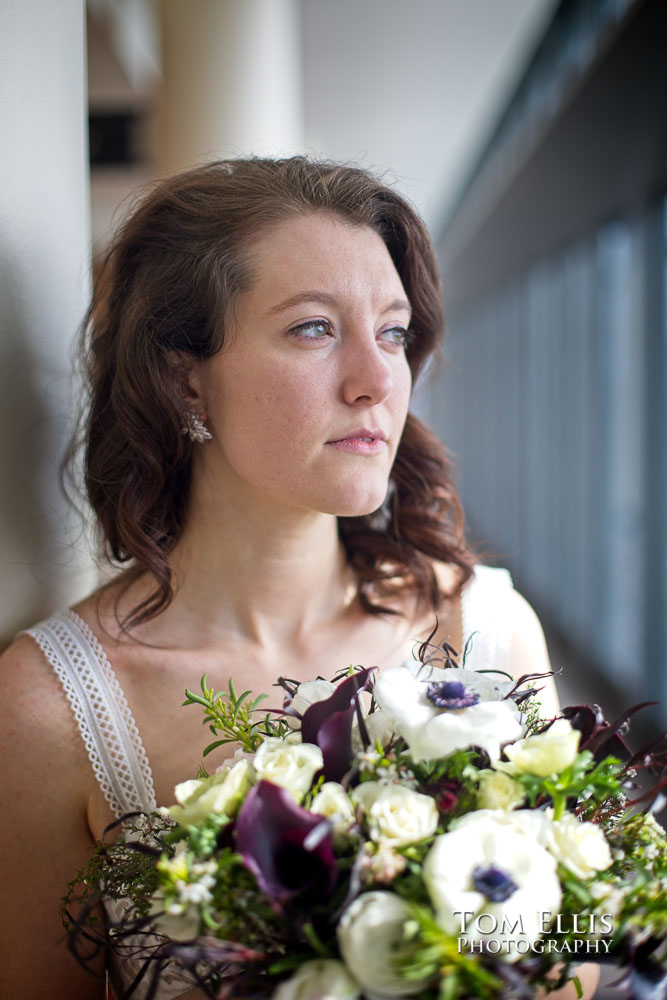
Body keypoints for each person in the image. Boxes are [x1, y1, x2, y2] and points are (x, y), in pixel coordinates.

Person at [0, 157, 597, 1000]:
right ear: (183, 376)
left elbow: (575, 961)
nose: (377, 379)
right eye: (314, 328)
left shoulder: (483, 629)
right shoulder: (48, 713)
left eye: (391, 332)